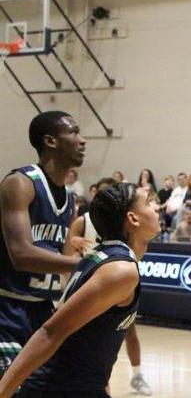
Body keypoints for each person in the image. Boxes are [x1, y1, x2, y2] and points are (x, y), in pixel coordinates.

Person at [0, 183, 160, 397]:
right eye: (149, 203)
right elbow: (50, 332)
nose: (157, 208)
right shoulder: (120, 270)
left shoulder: (106, 256)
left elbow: (93, 343)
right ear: (133, 219)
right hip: (57, 389)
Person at [0, 111, 86, 375]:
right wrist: (85, 265)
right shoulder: (20, 183)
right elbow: (21, 254)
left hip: (42, 310)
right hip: (7, 309)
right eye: (73, 132)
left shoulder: (70, 200)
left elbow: (59, 263)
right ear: (50, 141)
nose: (82, 140)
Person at [62, 179, 153, 396]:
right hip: (94, 286)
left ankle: (137, 375)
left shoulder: (124, 260)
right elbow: (48, 333)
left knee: (120, 338)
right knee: (87, 348)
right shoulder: (85, 223)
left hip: (108, 283)